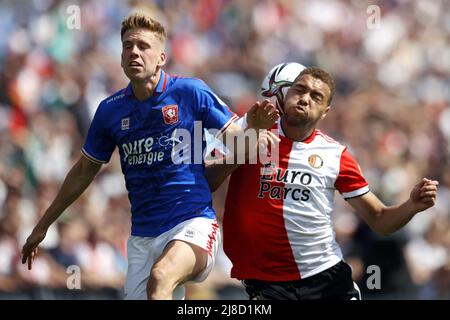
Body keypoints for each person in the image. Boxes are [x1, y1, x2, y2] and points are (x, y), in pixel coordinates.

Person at [21, 12, 278, 300]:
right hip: (142, 237)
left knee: (161, 277)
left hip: (192, 222)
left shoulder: (190, 92)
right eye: (128, 46)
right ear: (120, 58)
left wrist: (253, 129)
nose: (134, 52)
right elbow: (83, 171)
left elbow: (237, 140)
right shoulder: (110, 111)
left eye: (143, 46)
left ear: (161, 58)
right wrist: (43, 225)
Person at [206, 66, 439, 300]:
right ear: (286, 94)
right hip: (267, 283)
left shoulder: (336, 155)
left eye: (315, 97)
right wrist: (245, 149)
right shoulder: (250, 130)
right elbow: (206, 180)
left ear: (325, 112)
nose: (305, 99)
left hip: (326, 279)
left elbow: (379, 219)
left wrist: (411, 206)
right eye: (300, 90)